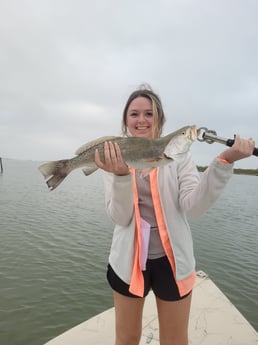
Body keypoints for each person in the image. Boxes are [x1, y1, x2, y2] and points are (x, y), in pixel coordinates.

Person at [94, 85, 255, 345]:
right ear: (126, 120)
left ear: (160, 119)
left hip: (173, 264)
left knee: (175, 340)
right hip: (127, 262)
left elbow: (194, 206)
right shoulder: (114, 157)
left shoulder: (180, 157)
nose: (142, 120)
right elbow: (120, 217)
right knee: (126, 339)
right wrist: (121, 175)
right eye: (134, 114)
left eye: (149, 113)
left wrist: (225, 161)